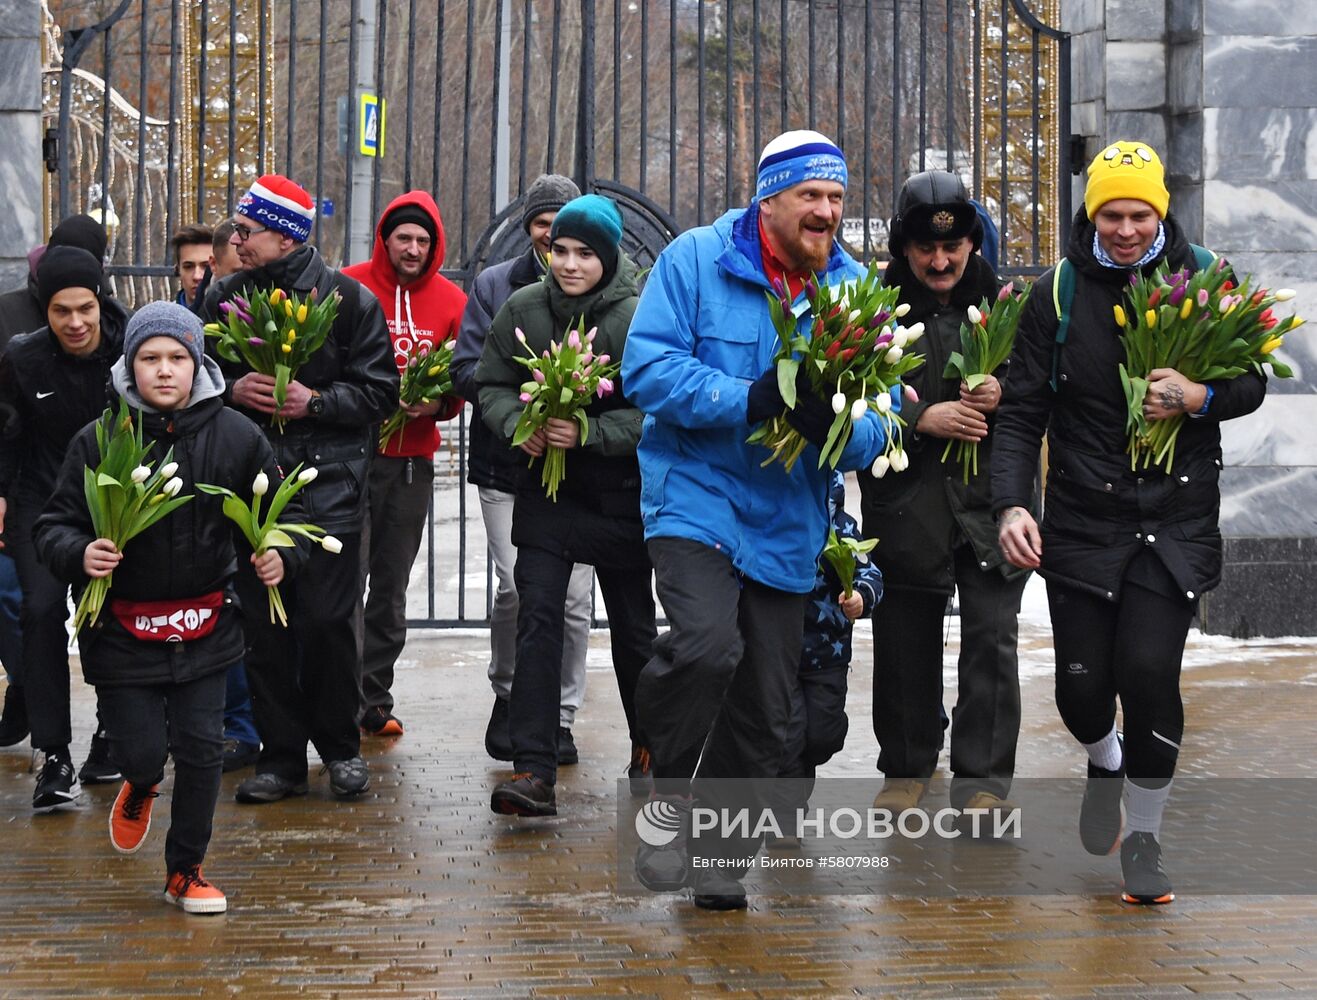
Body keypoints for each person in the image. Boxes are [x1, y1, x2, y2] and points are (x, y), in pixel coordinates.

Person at [620, 130, 893, 909]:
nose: (827, 211)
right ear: (768, 199)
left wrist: (830, 423)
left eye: (836, 198)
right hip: (696, 496)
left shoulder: (849, 294)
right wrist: (751, 398)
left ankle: (718, 857)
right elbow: (647, 369)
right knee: (706, 649)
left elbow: (882, 425)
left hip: (787, 518)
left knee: (770, 713)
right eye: (811, 195)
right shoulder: (696, 262)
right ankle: (663, 790)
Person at [992, 140, 1266, 905]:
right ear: (1090, 214)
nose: (1124, 229)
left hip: (1172, 519)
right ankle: (1103, 760)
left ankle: (1143, 837)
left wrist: (1198, 396)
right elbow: (1019, 414)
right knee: (1081, 695)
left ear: (1160, 213)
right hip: (1083, 519)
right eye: (1109, 213)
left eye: (1138, 214)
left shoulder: (1205, 280)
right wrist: (1013, 503)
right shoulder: (1055, 294)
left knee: (1148, 675)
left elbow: (1251, 379)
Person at [34, 301, 306, 914]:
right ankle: (142, 782)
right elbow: (54, 524)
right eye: (149, 358)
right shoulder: (101, 440)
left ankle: (185, 869)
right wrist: (82, 552)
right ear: (130, 366)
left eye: (177, 358)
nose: (164, 370)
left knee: (203, 748)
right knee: (140, 751)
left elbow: (287, 516)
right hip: (123, 629)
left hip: (207, 624)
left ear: (197, 364)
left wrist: (280, 554)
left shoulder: (238, 435)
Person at [199, 174, 397, 804]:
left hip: (328, 489)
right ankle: (281, 759)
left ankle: (340, 750)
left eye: (246, 230)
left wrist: (315, 400)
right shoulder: (223, 295)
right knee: (264, 625)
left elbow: (381, 393)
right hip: (252, 486)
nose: (236, 239)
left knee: (328, 624)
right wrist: (231, 390)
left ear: (284, 236)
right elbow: (197, 373)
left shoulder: (348, 300)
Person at [476, 193, 657, 817]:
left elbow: (656, 410)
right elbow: (491, 382)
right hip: (547, 495)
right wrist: (517, 424)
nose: (570, 264)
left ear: (607, 257)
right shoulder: (524, 307)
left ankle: (651, 752)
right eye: (560, 251)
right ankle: (533, 767)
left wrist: (590, 433)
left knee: (635, 629)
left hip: (619, 498)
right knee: (538, 619)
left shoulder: (639, 315)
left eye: (585, 253)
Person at [859, 170, 1031, 819]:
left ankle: (983, 780)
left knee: (992, 635)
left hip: (991, 502)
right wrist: (915, 419)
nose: (938, 261)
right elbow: (847, 402)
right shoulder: (871, 308)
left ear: (972, 244)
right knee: (903, 632)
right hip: (909, 501)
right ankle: (905, 765)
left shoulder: (1009, 306)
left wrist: (1004, 391)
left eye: (952, 248)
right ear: (902, 247)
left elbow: (1041, 398)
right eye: (925, 249)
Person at [451, 174, 595, 769]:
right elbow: (468, 371)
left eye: (565, 224)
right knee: (516, 588)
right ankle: (509, 695)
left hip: (581, 472)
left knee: (575, 599)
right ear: (529, 227)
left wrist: (577, 414)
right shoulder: (494, 286)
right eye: (544, 224)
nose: (554, 237)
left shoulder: (604, 286)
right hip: (509, 466)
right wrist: (524, 411)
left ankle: (560, 715)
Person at [0, 246, 130, 810]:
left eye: (84, 308)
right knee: (40, 610)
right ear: (45, 312)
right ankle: (53, 755)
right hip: (43, 500)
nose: (75, 323)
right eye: (60, 312)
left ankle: (111, 734)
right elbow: (7, 431)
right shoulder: (24, 359)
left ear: (100, 301)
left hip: (116, 501)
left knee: (107, 613)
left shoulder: (132, 347)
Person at [343, 191, 466, 736]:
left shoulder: (451, 300)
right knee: (344, 581)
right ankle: (335, 697)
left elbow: (463, 376)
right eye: (403, 239)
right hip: (349, 457)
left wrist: (438, 404)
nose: (412, 248)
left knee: (389, 589)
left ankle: (374, 698)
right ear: (385, 240)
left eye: (423, 240)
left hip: (410, 462)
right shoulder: (349, 285)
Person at [770, 473, 882, 846]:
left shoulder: (841, 529)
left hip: (827, 655)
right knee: (787, 735)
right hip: (778, 655)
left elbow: (870, 572)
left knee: (820, 735)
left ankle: (796, 780)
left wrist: (860, 596)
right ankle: (785, 817)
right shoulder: (771, 527)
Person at [170, 224, 213, 309]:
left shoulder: (235, 318)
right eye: (188, 267)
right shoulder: (166, 319)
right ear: (178, 269)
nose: (197, 276)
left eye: (206, 266)